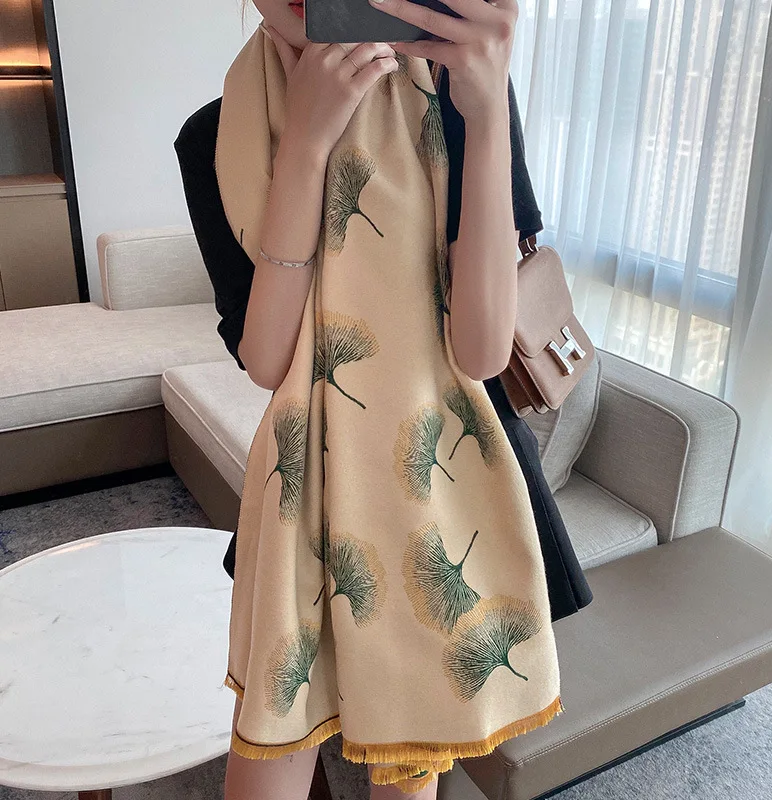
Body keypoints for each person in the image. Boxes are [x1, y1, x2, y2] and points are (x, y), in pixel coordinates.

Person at [174, 1, 592, 798]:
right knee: (267, 759)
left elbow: (480, 352)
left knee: (407, 775)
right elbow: (266, 358)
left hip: (442, 498)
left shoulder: (461, 88)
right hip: (305, 499)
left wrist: (488, 112)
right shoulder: (216, 136)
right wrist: (305, 148)